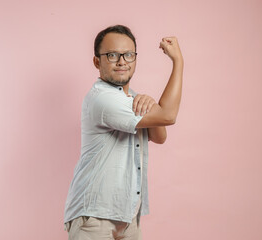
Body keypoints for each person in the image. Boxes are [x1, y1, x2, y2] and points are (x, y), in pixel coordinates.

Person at [64, 25, 183, 240]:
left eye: (128, 55)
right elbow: (168, 115)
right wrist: (178, 62)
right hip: (95, 217)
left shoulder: (132, 99)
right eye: (112, 55)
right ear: (97, 62)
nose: (122, 61)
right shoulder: (103, 98)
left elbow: (159, 136)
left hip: (127, 216)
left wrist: (150, 103)